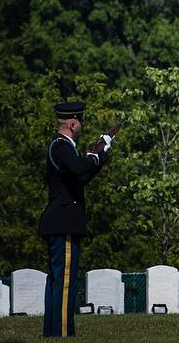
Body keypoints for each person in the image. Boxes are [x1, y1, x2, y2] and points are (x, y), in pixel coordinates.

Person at [39, 102, 111, 337]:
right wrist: (93, 156)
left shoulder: (63, 148)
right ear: (72, 124)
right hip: (63, 221)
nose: (81, 126)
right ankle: (61, 332)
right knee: (65, 281)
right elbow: (80, 167)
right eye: (79, 122)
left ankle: (52, 332)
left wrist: (100, 158)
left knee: (58, 280)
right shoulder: (61, 147)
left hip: (60, 220)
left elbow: (79, 180)